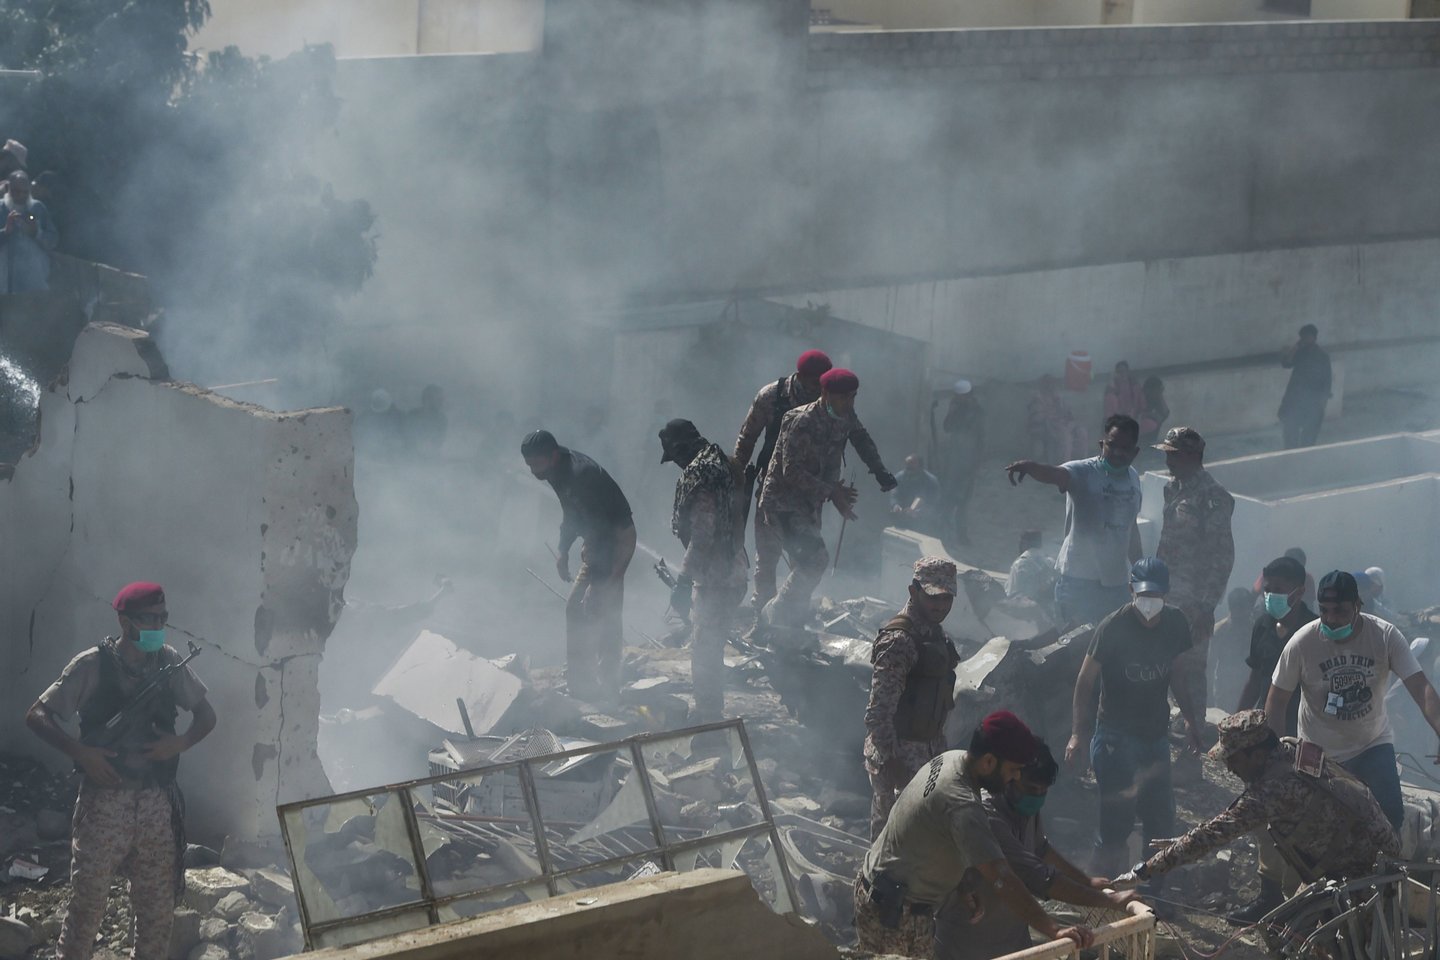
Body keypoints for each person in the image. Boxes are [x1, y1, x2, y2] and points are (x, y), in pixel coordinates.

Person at [25, 582, 216, 960]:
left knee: (157, 913)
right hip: (104, 804)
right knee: (87, 909)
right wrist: (80, 751)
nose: (158, 626)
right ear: (124, 621)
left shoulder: (169, 661)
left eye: (163, 618)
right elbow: (37, 714)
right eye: (150, 619)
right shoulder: (92, 664)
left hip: (156, 804)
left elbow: (207, 716)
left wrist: (179, 743)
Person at [855, 712, 1094, 959]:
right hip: (894, 913)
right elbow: (1002, 877)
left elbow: (937, 836)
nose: (1016, 778)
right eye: (1013, 770)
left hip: (892, 896)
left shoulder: (951, 759)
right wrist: (1053, 930)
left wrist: (962, 885)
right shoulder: (962, 803)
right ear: (989, 762)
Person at [1113, 710, 1398, 902]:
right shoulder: (1291, 749)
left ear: (1257, 754)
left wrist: (1144, 870)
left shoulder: (1273, 790)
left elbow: (1214, 834)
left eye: (1233, 759)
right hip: (1373, 851)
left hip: (1362, 873)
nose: (1229, 769)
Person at [1264, 570, 1440, 833]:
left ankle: (1381, 872)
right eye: (1324, 610)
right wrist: (1275, 757)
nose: (1331, 619)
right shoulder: (1303, 642)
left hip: (1372, 744)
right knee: (1316, 824)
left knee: (1389, 814)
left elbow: (1420, 686)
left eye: (1340, 611)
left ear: (1358, 606)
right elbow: (1277, 700)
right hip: (1315, 749)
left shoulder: (1384, 636)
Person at [933, 743, 1140, 960]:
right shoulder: (986, 814)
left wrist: (1085, 881)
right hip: (967, 939)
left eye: (1043, 791)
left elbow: (1041, 849)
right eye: (1032, 788)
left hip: (1012, 935)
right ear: (1010, 778)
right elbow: (1038, 875)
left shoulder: (1025, 807)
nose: (1038, 796)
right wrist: (1108, 901)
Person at [1066, 557, 1204, 877]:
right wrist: (1077, 733)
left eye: (1156, 597)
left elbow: (1178, 676)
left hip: (1155, 737)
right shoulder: (1112, 627)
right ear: (1131, 590)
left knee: (1160, 820)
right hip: (1115, 736)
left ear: (1166, 594)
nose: (1149, 604)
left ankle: (1153, 892)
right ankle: (1104, 890)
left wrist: (1191, 722)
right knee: (1116, 821)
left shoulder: (1175, 623)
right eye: (1144, 595)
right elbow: (1085, 682)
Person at [734, 351, 896, 613]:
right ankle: (764, 614)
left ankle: (784, 619)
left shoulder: (840, 409)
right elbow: (748, 437)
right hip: (779, 493)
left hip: (812, 494)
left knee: (805, 560)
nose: (816, 391)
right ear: (800, 378)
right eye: (812, 385)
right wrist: (737, 474)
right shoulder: (777, 401)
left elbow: (860, 438)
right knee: (769, 556)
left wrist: (878, 471)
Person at [521, 429, 636, 702]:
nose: (534, 471)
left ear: (552, 455)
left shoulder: (582, 475)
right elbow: (571, 513)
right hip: (595, 541)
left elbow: (604, 530)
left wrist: (597, 584)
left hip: (616, 541)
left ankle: (609, 687)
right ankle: (581, 684)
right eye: (529, 465)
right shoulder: (554, 472)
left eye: (536, 464)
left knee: (604, 611)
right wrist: (563, 549)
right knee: (576, 609)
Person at [1231, 556, 1316, 919]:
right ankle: (1269, 897)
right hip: (1266, 738)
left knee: (1302, 816)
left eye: (1278, 590)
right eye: (1267, 589)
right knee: (1267, 815)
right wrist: (1237, 720)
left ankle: (1301, 901)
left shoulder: (1314, 631)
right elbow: (1255, 678)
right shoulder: (1264, 624)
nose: (1270, 596)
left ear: (1298, 592)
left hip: (1305, 738)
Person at [1006, 414, 1143, 628]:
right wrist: (1031, 467)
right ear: (1101, 444)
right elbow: (1055, 474)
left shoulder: (1134, 478)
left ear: (1135, 452)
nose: (1117, 453)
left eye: (1125, 449)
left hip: (1117, 585)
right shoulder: (1084, 471)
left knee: (1113, 647)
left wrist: (1140, 570)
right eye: (1112, 445)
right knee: (1074, 647)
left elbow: (1131, 528)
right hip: (1079, 582)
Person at [863, 557, 962, 838]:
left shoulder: (934, 634)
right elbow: (878, 712)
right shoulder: (900, 641)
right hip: (899, 757)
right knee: (891, 840)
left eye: (946, 598)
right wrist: (891, 762)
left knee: (919, 839)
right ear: (914, 591)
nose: (940, 606)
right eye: (933, 597)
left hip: (926, 754)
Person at [659, 419, 746, 723]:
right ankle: (711, 711)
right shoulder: (719, 461)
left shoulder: (701, 474)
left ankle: (708, 718)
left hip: (717, 576)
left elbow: (703, 536)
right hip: (731, 568)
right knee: (710, 643)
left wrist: (683, 582)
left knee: (705, 648)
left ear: (680, 449)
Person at [1153, 427, 1235, 718]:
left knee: (1190, 669)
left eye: (1174, 455)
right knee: (1161, 662)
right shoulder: (1173, 488)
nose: (1168, 461)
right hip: (1165, 594)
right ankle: (1167, 721)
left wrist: (1206, 606)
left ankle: (1194, 729)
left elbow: (1222, 556)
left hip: (1193, 601)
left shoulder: (1213, 497)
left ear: (1193, 456)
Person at [933, 379, 984, 544]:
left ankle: (959, 534)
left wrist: (978, 460)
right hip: (957, 458)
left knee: (961, 499)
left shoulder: (973, 411)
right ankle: (948, 533)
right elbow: (948, 427)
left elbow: (979, 436)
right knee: (952, 497)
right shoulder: (966, 409)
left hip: (966, 458)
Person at [0, 169, 59, 293]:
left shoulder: (37, 208)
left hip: (33, 282)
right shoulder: (1, 209)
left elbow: (53, 241)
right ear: (9, 188)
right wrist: (5, 231)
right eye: (16, 192)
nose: (21, 196)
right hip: (4, 282)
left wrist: (36, 233)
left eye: (25, 192)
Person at [1278, 324, 1332, 449]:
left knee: (1309, 438)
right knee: (1290, 434)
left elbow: (1327, 382)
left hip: (1313, 402)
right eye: (1303, 337)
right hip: (1295, 400)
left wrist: (1321, 404)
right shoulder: (1300, 352)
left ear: (1314, 338)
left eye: (1307, 336)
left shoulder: (1322, 356)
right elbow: (1286, 363)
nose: (1305, 339)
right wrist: (1296, 347)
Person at [1212, 586, 1257, 712]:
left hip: (1247, 687)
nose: (1245, 613)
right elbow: (1211, 663)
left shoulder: (1254, 629)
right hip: (1224, 688)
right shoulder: (1220, 630)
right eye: (1241, 609)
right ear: (1233, 608)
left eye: (1247, 609)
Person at [1026, 375, 1087, 464]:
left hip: (1061, 424)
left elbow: (1068, 413)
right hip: (1045, 427)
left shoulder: (1057, 398)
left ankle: (1081, 462)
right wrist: (1054, 421)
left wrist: (1070, 421)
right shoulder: (1037, 399)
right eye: (1049, 384)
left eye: (1053, 384)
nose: (1052, 387)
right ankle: (1065, 465)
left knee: (1082, 431)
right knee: (1065, 435)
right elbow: (1037, 419)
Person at [889, 455, 942, 532]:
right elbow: (894, 494)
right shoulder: (899, 477)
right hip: (902, 517)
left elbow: (934, 502)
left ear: (920, 467)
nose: (908, 468)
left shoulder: (931, 481)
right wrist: (895, 505)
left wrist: (919, 512)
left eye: (911, 465)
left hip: (923, 521)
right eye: (907, 465)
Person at [1006, 530, 1056, 606]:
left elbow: (1012, 595)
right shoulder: (1052, 563)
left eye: (1021, 542)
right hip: (1045, 612)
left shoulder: (1019, 564)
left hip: (1023, 612)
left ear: (1025, 543)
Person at [1137, 377, 1169, 449]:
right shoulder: (1142, 401)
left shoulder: (1156, 400)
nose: (1160, 391)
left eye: (1161, 390)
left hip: (1150, 442)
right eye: (1158, 390)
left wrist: (1160, 395)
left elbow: (1165, 413)